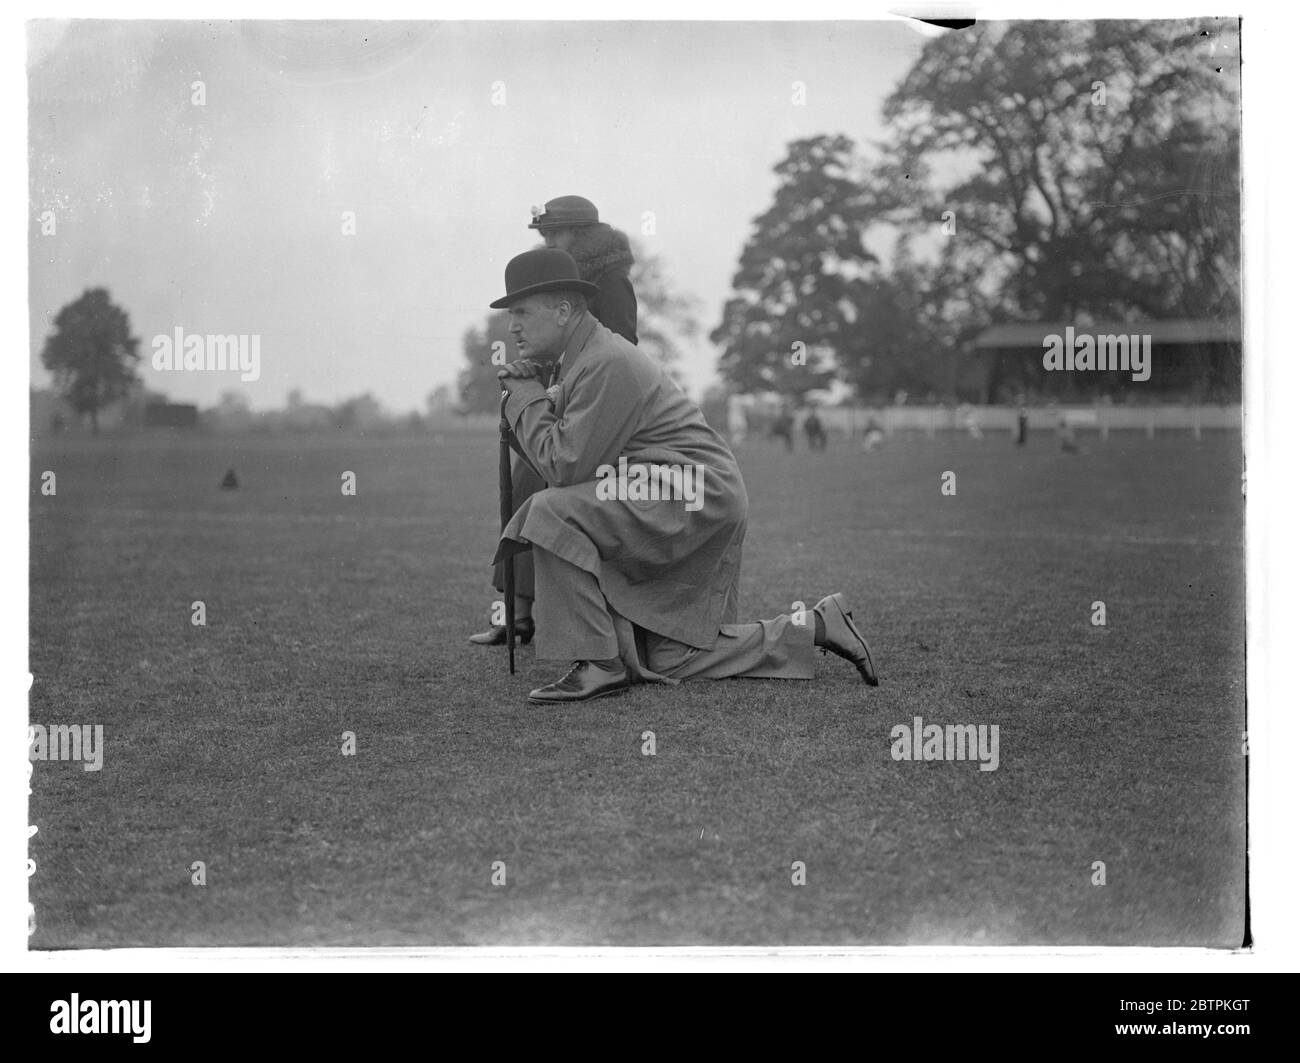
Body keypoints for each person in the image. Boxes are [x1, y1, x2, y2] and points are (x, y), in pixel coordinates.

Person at [489, 248, 878, 705]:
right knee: (670, 658)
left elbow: (564, 466)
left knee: (550, 510)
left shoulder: (604, 360)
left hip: (693, 492)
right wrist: (529, 403)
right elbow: (569, 457)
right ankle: (818, 625)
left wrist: (525, 400)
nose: (511, 326)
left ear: (562, 311)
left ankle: (600, 662)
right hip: (681, 490)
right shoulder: (585, 359)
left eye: (520, 312)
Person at [470, 196, 639, 647]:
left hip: (594, 407)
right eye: (543, 235)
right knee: (522, 484)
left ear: (583, 234)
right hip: (557, 397)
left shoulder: (610, 280)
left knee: (546, 485)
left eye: (553, 234)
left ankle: (577, 619)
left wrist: (562, 384)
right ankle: (515, 614)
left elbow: (622, 346)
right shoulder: (553, 278)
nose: (547, 241)